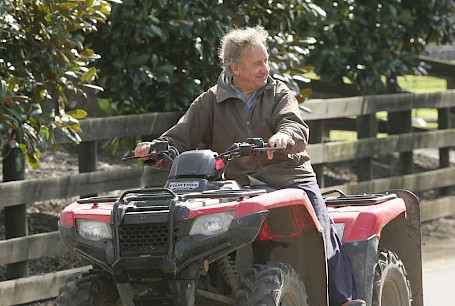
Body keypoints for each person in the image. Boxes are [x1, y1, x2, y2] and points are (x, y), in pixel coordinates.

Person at [135, 25, 365, 306]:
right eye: (257, 63)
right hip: (236, 188)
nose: (265, 68)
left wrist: (285, 136)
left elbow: (294, 124)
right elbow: (179, 136)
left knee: (321, 229)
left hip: (289, 179)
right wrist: (154, 150)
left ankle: (344, 299)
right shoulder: (210, 101)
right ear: (235, 68)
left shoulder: (279, 93)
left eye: (266, 61)